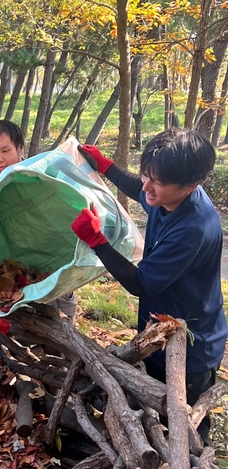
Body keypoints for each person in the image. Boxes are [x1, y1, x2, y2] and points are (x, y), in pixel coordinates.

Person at [71, 128, 227, 443]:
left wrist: (97, 241)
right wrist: (106, 166)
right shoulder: (168, 196)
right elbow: (141, 190)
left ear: (189, 186)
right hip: (159, 327)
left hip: (190, 344)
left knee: (186, 426)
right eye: (146, 174)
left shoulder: (193, 228)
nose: (146, 186)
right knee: (151, 404)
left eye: (156, 181)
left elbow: (141, 283)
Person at [0, 120, 78, 318]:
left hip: (56, 275)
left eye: (5, 151)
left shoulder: (44, 179)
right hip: (12, 283)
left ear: (20, 149)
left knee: (60, 337)